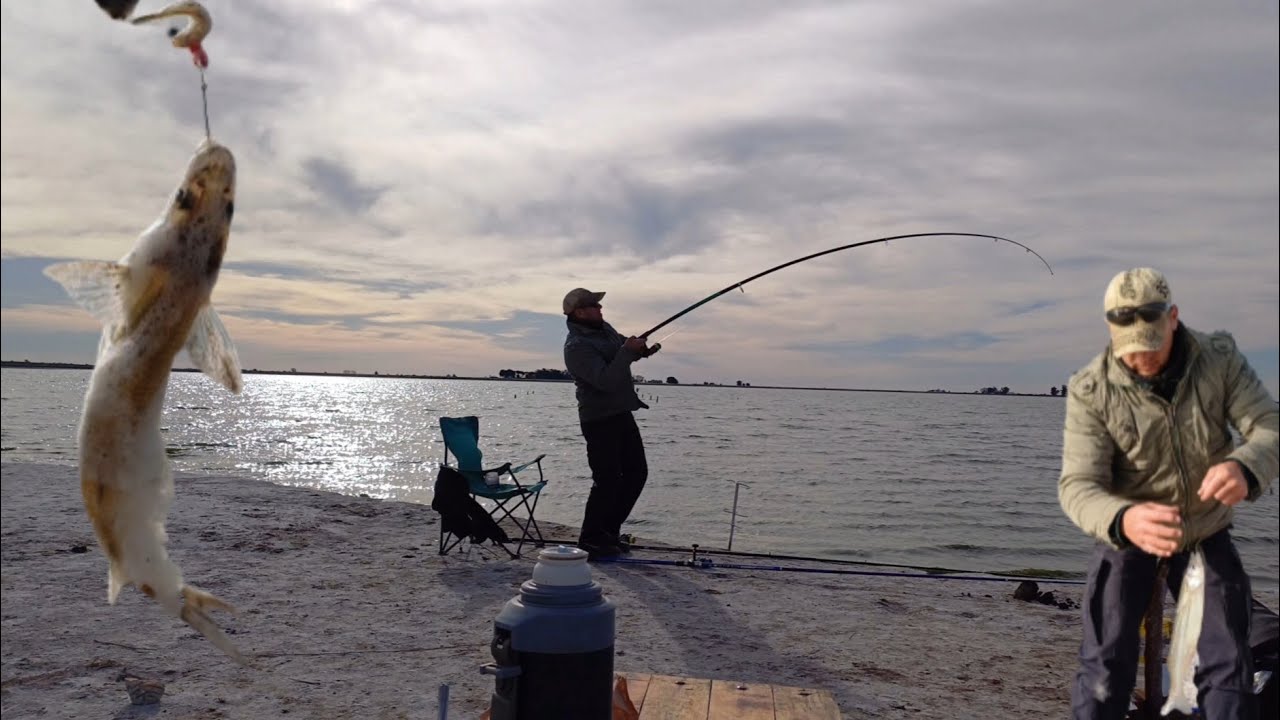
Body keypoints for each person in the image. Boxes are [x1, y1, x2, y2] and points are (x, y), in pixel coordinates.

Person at [1058, 267, 1278, 719]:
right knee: (1103, 666)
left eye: (1152, 346)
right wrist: (1122, 519)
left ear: (1173, 318)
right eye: (1131, 351)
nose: (1143, 361)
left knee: (1229, 664)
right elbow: (1077, 485)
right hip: (1127, 533)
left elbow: (1270, 427)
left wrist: (1246, 466)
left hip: (1204, 532)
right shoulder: (1089, 388)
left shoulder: (1220, 362)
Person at [562, 288, 660, 560]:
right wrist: (627, 353)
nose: (600, 310)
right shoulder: (576, 347)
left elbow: (622, 352)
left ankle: (608, 532)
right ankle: (591, 537)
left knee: (636, 473)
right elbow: (605, 380)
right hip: (598, 419)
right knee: (607, 480)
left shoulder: (605, 330)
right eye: (595, 306)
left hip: (621, 413)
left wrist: (641, 350)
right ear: (579, 312)